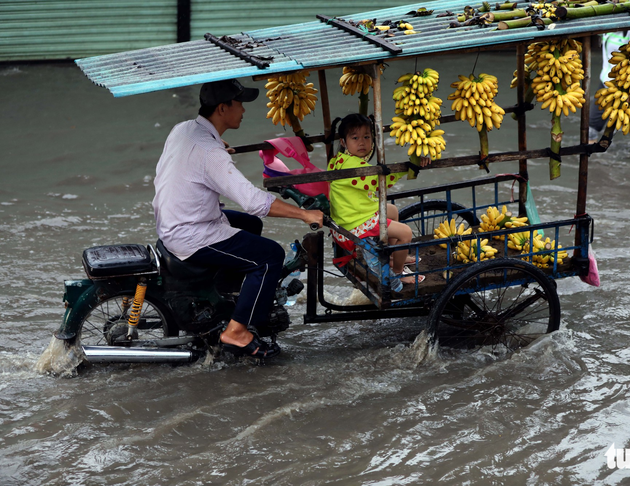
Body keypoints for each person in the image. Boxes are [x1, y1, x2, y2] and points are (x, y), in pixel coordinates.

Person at [152, 79, 323, 359]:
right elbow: (255, 202)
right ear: (222, 108)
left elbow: (193, 160)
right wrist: (303, 214)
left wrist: (218, 146)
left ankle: (226, 300)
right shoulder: (211, 154)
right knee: (270, 256)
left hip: (174, 218)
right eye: (239, 103)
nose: (244, 110)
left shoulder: (183, 129)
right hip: (191, 232)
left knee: (251, 226)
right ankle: (237, 331)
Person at [327, 114, 431, 286]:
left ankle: (390, 255)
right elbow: (378, 183)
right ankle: (397, 273)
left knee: (392, 210)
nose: (362, 143)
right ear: (344, 142)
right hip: (355, 222)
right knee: (406, 233)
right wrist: (406, 167)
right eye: (355, 138)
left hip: (350, 216)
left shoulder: (340, 160)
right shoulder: (351, 165)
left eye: (366, 137)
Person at [589, 30, 630, 158]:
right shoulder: (608, 27)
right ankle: (591, 166)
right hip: (606, 84)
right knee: (590, 130)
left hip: (627, 88)